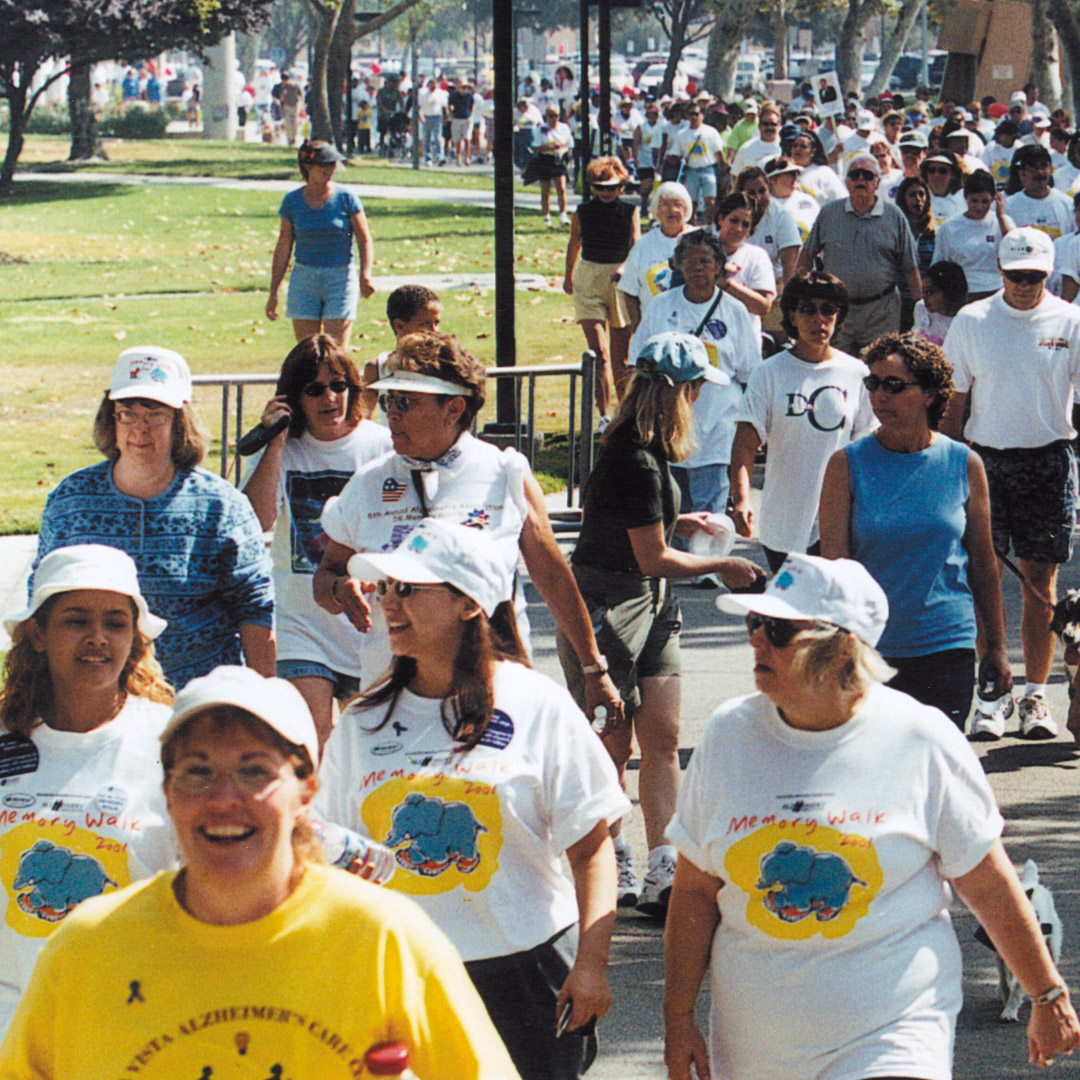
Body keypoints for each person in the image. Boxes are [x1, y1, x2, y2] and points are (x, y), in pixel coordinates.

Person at [663, 553, 1080, 1080]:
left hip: (894, 1028)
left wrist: (1047, 995)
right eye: (754, 623)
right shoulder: (728, 734)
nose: (757, 640)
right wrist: (677, 1020)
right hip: (758, 1042)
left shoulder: (920, 739)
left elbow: (991, 884)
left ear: (843, 650)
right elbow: (696, 890)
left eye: (779, 629)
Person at [0, 665, 521, 1078]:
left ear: (307, 792)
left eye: (255, 771)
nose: (225, 799)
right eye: (197, 772)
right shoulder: (87, 949)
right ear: (167, 793)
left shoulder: (384, 940)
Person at [317, 520, 627, 1080]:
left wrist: (592, 964)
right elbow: (325, 860)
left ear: (468, 604)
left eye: (408, 589)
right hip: (402, 973)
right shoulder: (360, 723)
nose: (388, 602)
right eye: (385, 587)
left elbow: (592, 847)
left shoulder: (537, 703)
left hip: (528, 971)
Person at [312, 331, 623, 724]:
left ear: (454, 408)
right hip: (394, 698)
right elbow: (324, 579)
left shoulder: (503, 471)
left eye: (406, 402)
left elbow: (553, 577)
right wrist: (341, 589)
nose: (391, 413)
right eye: (389, 400)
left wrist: (594, 668)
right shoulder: (367, 482)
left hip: (492, 689)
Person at [557, 333, 765, 919]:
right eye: (697, 389)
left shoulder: (646, 450)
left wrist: (681, 521)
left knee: (663, 735)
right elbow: (650, 558)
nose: (701, 399)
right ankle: (613, 854)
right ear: (680, 392)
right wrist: (723, 563)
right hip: (611, 601)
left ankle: (664, 864)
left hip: (651, 602)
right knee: (613, 740)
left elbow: (643, 534)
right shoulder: (634, 458)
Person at [0, 546, 174, 1039]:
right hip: (12, 1023)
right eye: (76, 621)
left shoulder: (173, 743)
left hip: (133, 1024)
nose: (97, 638)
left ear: (135, 638)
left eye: (115, 623)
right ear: (37, 633)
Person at [33, 347, 274, 689]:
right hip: (92, 701)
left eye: (156, 414)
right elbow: (40, 597)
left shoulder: (221, 506)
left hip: (194, 702)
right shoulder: (70, 500)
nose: (140, 428)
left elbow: (256, 606)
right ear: (111, 418)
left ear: (180, 421)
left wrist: (260, 701)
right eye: (127, 413)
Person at [819, 332, 1012, 732]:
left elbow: (983, 565)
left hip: (948, 644)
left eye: (894, 385)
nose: (879, 396)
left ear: (929, 393)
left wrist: (995, 646)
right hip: (870, 650)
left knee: (937, 777)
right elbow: (836, 570)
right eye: (873, 383)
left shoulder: (964, 463)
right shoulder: (846, 464)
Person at [941, 227, 1080, 739]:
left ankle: (1036, 696)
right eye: (1016, 276)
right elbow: (955, 401)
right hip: (985, 465)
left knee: (1041, 584)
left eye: (1035, 277)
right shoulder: (973, 320)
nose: (1025, 285)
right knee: (985, 582)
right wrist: (942, 464)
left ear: (1048, 273)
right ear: (999, 271)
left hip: (1050, 462)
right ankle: (991, 695)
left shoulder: (1071, 320)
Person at [241, 335, 392, 750]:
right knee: (311, 742)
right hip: (300, 624)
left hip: (368, 622)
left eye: (339, 385)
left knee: (367, 748)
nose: (330, 397)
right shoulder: (282, 449)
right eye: (315, 389)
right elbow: (256, 519)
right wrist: (274, 441)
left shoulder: (380, 446)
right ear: (294, 397)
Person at [730, 271, 875, 573]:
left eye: (828, 310)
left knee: (830, 613)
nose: (818, 319)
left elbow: (868, 448)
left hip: (839, 519)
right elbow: (745, 443)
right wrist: (742, 499)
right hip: (783, 520)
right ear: (793, 315)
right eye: (808, 309)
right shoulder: (768, 373)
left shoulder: (858, 373)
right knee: (792, 615)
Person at [630, 229, 762, 532]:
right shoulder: (660, 306)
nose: (698, 269)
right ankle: (672, 570)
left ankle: (707, 568)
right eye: (690, 262)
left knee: (710, 509)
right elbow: (637, 360)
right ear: (678, 265)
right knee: (671, 505)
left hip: (717, 427)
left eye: (706, 261)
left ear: (718, 266)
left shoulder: (734, 311)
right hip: (667, 427)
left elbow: (749, 373)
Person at [798, 151, 922, 353]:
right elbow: (807, 254)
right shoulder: (829, 213)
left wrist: (921, 309)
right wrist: (802, 293)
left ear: (877, 182)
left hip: (882, 311)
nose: (861, 180)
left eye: (867, 175)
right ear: (846, 182)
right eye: (855, 175)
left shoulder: (894, 216)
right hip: (836, 311)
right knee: (836, 367)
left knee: (880, 367)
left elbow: (910, 267)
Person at [266, 140, 375, 350]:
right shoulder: (292, 201)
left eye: (332, 164)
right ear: (308, 167)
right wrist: (273, 291)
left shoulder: (346, 198)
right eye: (324, 165)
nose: (330, 169)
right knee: (309, 352)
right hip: (304, 278)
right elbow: (283, 247)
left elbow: (364, 238)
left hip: (340, 277)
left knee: (336, 351)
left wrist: (365, 274)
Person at [563, 157, 641, 426]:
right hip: (589, 279)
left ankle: (625, 414)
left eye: (611, 187)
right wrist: (568, 275)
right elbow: (574, 242)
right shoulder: (583, 212)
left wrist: (624, 268)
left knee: (621, 357)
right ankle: (604, 415)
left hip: (619, 282)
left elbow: (636, 246)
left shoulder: (630, 211)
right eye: (600, 188)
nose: (606, 193)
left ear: (621, 186)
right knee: (598, 352)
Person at [619, 180, 694, 336]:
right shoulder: (643, 245)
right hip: (654, 331)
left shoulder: (698, 240)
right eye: (665, 204)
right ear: (657, 210)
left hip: (693, 328)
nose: (672, 210)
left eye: (678, 205)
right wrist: (638, 328)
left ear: (686, 210)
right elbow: (629, 290)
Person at [932, 170, 1014, 302]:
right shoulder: (949, 227)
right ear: (965, 197)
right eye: (974, 201)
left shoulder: (1003, 222)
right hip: (963, 293)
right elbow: (939, 264)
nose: (979, 207)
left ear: (994, 199)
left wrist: (1000, 217)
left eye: (985, 201)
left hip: (998, 291)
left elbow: (1014, 250)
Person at [711, 192, 776, 333]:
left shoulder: (757, 256)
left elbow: (763, 306)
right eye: (733, 220)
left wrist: (725, 284)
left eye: (745, 224)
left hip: (743, 340)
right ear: (721, 219)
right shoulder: (701, 249)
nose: (739, 228)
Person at [734, 164, 801, 287]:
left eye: (762, 191)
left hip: (773, 284)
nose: (758, 198)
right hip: (736, 283)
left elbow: (790, 266)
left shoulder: (782, 215)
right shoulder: (730, 216)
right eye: (751, 193)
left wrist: (789, 301)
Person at [670, 102, 726, 225]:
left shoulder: (711, 132)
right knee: (691, 203)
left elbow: (719, 154)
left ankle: (709, 227)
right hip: (691, 170)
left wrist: (723, 174)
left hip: (708, 169)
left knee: (710, 201)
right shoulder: (681, 134)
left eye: (697, 113)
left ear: (702, 115)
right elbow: (675, 154)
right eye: (691, 114)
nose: (694, 117)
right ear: (687, 116)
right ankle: (692, 227)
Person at [1004, 143, 1075, 239]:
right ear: (1022, 173)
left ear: (1050, 169)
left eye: (1043, 166)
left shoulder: (1068, 204)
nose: (1040, 172)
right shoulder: (1009, 207)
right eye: (1034, 168)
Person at [524, 105, 573, 226]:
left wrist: (562, 149)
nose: (554, 119)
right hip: (545, 159)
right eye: (551, 116)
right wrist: (548, 147)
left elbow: (569, 144)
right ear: (546, 116)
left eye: (556, 115)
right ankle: (546, 215)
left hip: (558, 159)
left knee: (561, 188)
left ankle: (563, 215)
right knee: (545, 190)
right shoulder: (540, 129)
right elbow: (535, 146)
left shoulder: (564, 128)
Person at [912, 259, 969, 345]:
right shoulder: (921, 308)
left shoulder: (963, 321)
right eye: (923, 291)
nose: (924, 297)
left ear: (949, 293)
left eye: (930, 292)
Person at [787, 128, 846, 206]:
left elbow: (840, 201)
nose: (797, 149)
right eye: (795, 146)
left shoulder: (824, 173)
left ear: (813, 152)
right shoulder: (784, 172)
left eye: (803, 146)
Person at [730, 102, 782, 174]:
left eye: (773, 124)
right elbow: (735, 175)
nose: (769, 127)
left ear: (779, 125)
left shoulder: (786, 147)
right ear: (759, 126)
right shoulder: (746, 149)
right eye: (765, 124)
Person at [920, 150, 966, 227]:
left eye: (942, 171)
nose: (936, 175)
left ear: (952, 175)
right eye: (932, 170)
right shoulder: (919, 197)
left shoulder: (964, 199)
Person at [278, 71, 303, 146]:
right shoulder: (283, 87)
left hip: (295, 106)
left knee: (294, 123)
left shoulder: (295, 86)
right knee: (288, 124)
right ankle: (289, 139)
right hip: (287, 106)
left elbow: (301, 95)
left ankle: (294, 137)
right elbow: (281, 99)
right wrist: (283, 94)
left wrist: (302, 106)